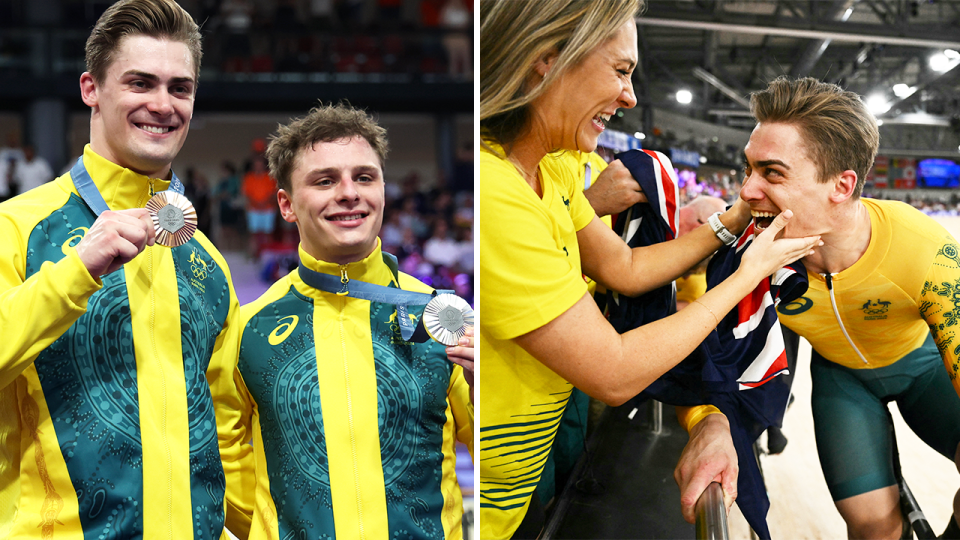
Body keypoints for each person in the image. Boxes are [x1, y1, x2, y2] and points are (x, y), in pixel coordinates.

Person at [477, 1, 823, 538]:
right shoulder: (494, 194)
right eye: (621, 70)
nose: (631, 96)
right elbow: (613, 372)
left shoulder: (552, 168)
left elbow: (627, 267)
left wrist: (729, 223)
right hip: (476, 496)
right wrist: (743, 278)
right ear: (546, 58)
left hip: (517, 476)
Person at [0, 0, 247, 538]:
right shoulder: (17, 228)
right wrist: (76, 270)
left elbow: (226, 434)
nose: (162, 104)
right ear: (91, 89)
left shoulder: (207, 261)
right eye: (141, 83)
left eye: (178, 88)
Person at [675, 76, 960, 540]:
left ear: (842, 185)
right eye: (748, 169)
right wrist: (708, 418)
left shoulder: (925, 251)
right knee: (873, 527)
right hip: (843, 384)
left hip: (923, 371)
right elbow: (700, 336)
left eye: (772, 173)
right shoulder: (751, 251)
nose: (746, 191)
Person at [221, 103, 474, 539]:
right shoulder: (250, 327)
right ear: (286, 204)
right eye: (325, 181)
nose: (349, 193)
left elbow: (497, 455)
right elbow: (222, 453)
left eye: (364, 177)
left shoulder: (441, 313)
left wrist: (492, 390)